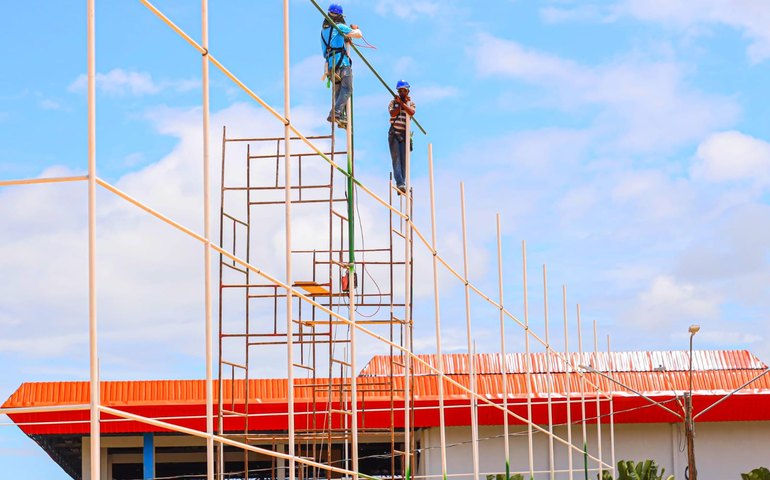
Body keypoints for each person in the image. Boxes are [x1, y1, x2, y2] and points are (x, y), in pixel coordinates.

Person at [321, 3, 361, 129]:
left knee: (339, 93)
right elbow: (358, 34)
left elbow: (334, 41)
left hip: (331, 66)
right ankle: (336, 112)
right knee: (348, 89)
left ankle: (340, 117)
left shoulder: (324, 31)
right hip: (342, 64)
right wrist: (355, 28)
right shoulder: (339, 26)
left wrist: (345, 39)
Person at [388, 80, 416, 194]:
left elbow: (411, 112)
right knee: (396, 159)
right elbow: (392, 114)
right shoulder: (393, 102)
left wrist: (403, 104)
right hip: (394, 133)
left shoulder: (411, 103)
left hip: (404, 135)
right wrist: (399, 104)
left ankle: (403, 183)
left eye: (404, 90)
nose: (402, 92)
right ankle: (399, 182)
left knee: (404, 160)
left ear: (408, 91)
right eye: (400, 91)